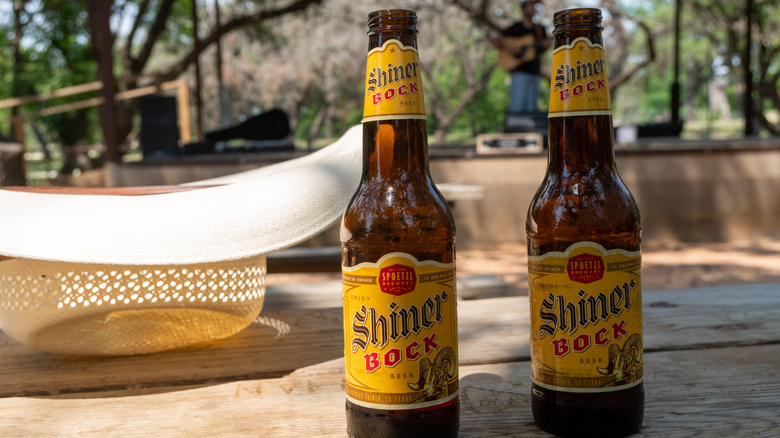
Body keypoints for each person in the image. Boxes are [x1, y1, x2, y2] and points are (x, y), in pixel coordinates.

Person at [492, 0, 551, 114]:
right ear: (523, 8)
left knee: (532, 109)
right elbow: (495, 41)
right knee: (517, 108)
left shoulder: (539, 29)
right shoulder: (515, 28)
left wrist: (545, 46)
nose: (533, 8)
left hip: (535, 72)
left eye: (535, 5)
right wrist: (508, 47)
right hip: (519, 73)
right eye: (530, 5)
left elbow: (540, 50)